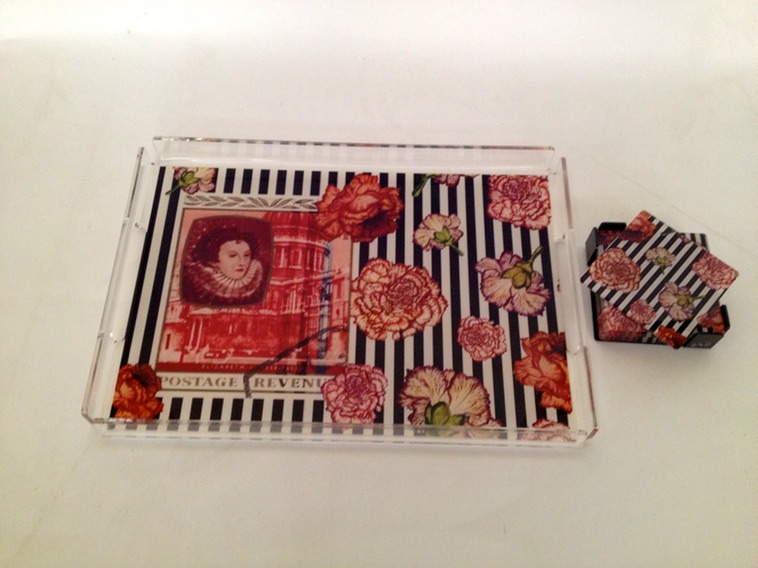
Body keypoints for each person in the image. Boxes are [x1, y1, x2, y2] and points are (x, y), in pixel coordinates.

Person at [182, 224, 266, 305]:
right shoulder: (192, 288)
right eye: (232, 255)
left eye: (247, 255)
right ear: (213, 261)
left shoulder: (260, 284)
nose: (242, 262)